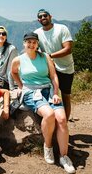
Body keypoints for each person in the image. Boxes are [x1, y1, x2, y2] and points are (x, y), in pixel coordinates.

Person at [11, 32, 75, 174]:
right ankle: (48, 146)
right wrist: (21, 87)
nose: (31, 44)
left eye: (34, 42)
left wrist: (55, 94)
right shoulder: (18, 60)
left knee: (62, 119)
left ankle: (64, 156)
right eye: (28, 41)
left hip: (48, 90)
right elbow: (13, 72)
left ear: (37, 44)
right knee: (49, 114)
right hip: (32, 93)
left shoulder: (45, 57)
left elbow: (53, 76)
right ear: (24, 43)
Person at [34, 9, 75, 121]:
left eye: (45, 15)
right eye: (40, 16)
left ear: (50, 16)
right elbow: (34, 49)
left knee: (65, 96)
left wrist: (49, 56)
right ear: (38, 19)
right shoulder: (37, 33)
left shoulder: (62, 28)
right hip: (49, 69)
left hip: (66, 68)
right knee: (49, 96)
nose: (43, 18)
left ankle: (64, 124)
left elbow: (68, 49)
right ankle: (52, 123)